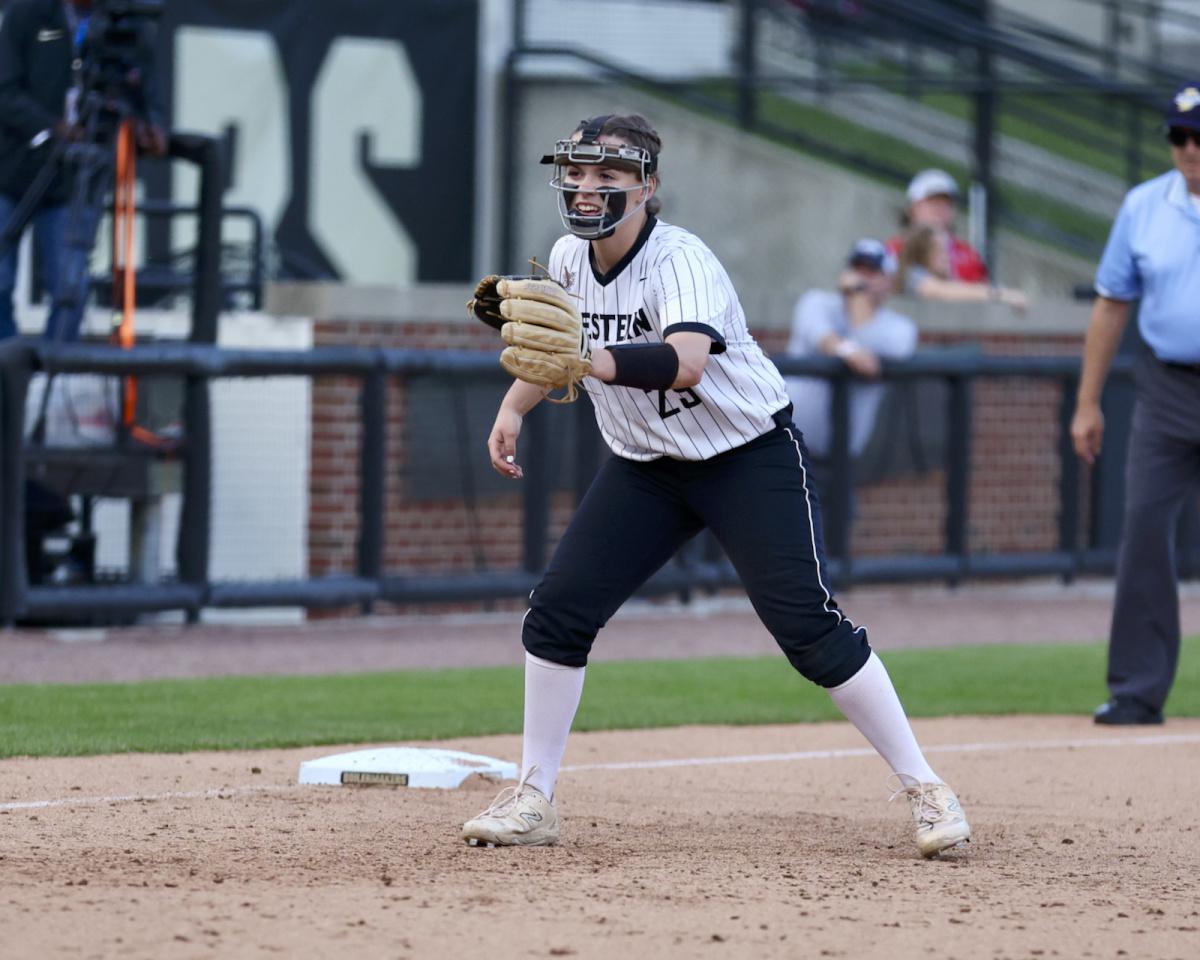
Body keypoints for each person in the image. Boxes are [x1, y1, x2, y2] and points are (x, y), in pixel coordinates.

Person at [460, 113, 971, 858]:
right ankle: (534, 796)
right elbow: (553, 348)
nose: (585, 187)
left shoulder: (681, 259)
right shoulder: (569, 259)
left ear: (649, 186)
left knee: (807, 629)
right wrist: (513, 408)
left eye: (608, 175)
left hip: (745, 454)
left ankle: (926, 787)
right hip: (644, 466)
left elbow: (686, 360)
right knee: (558, 614)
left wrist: (588, 357)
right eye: (576, 172)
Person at [1070, 82, 1200, 727]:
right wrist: (1087, 402)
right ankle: (1137, 689)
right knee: (1145, 528)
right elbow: (1112, 302)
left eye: (1199, 135)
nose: (1191, 148)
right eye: (1180, 136)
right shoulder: (1145, 205)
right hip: (1168, 387)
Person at [0, 0, 166, 342]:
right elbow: (4, 90)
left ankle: (52, 372)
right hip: (11, 168)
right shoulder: (27, 12)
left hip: (77, 178)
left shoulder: (128, 27)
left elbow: (148, 98)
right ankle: (8, 374)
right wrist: (53, 127)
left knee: (69, 285)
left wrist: (152, 128)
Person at [785, 238, 918, 492]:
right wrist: (849, 351)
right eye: (857, 269)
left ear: (889, 281)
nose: (862, 278)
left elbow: (873, 337)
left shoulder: (899, 327)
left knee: (834, 529)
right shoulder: (817, 302)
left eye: (872, 271)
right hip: (787, 452)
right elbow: (819, 335)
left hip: (838, 464)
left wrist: (857, 295)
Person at [895, 224, 1028, 312]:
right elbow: (941, 290)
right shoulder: (913, 275)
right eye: (939, 250)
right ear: (922, 252)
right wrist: (999, 294)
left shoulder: (946, 278)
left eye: (948, 250)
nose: (947, 256)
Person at [887, 168, 988, 283]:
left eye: (946, 203)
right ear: (913, 208)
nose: (939, 208)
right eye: (932, 202)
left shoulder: (969, 257)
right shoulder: (892, 251)